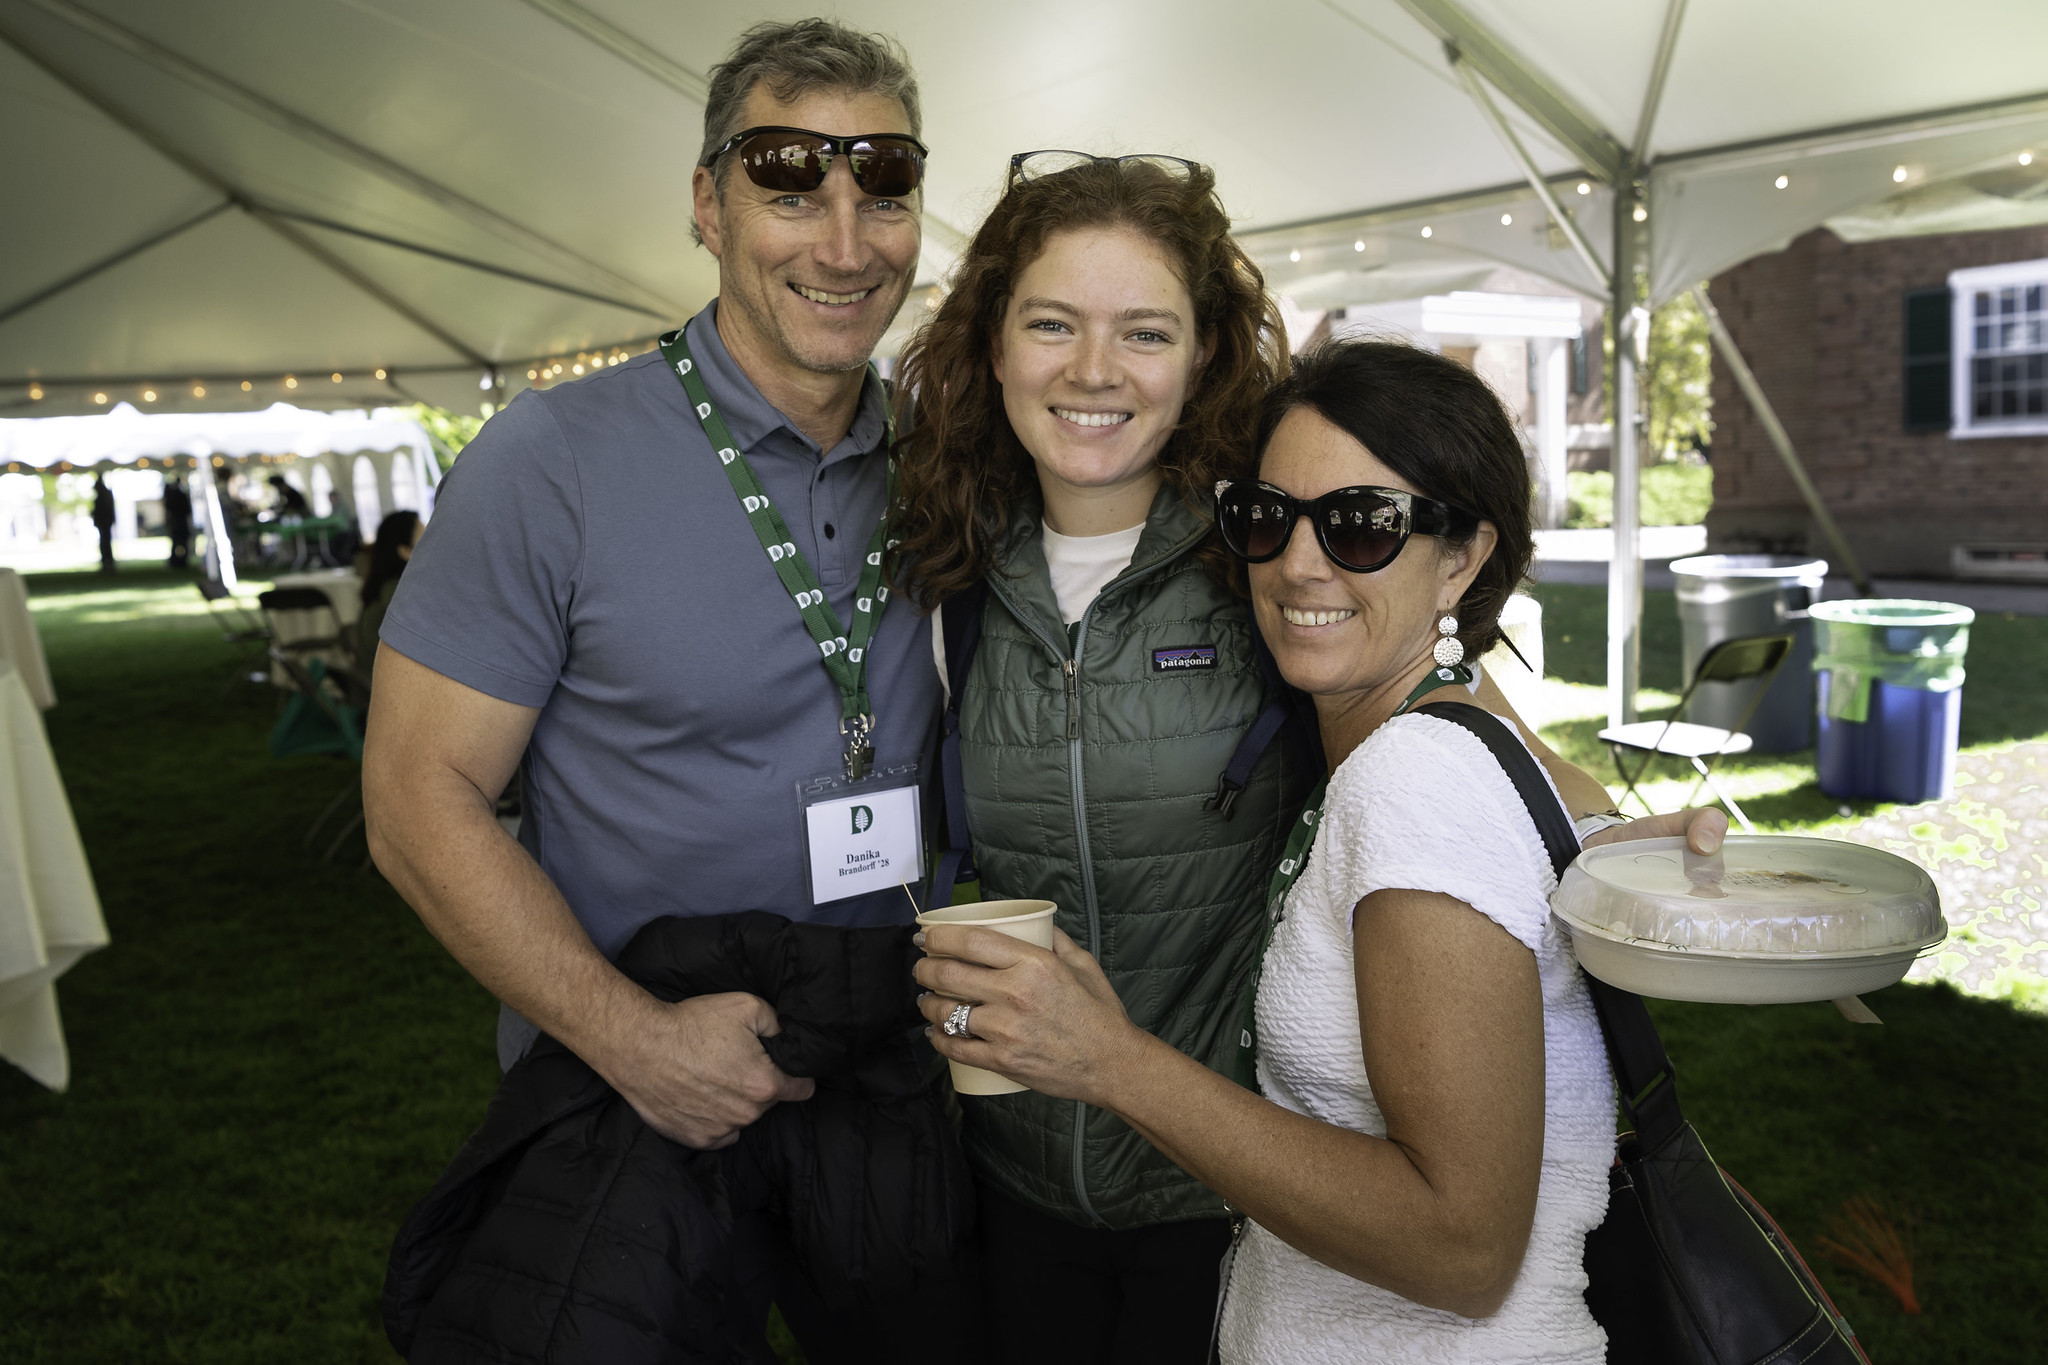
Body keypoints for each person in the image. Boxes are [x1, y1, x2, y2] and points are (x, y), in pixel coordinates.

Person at [888, 160, 1716, 1362]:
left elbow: (1465, 739)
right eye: (1052, 323)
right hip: (1013, 1184)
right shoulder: (949, 573)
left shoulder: (1264, 554)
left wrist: (1603, 845)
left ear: (1205, 355)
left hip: (1229, 1196)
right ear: (992, 343)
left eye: (1145, 331)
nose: (1093, 370)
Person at [361, 17, 971, 1360]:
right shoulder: (552, 460)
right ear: (708, 206)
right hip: (635, 1079)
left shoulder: (950, 461)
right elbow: (416, 795)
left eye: (885, 186)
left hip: (878, 1063)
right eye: (789, 183)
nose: (844, 237)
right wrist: (633, 1040)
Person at [352, 509, 419, 687]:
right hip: (384, 688)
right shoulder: (399, 592)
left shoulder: (386, 584)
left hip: (374, 683)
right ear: (405, 551)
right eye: (426, 539)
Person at [162, 476, 193, 569]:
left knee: (176, 542)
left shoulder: (172, 496)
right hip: (180, 522)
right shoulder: (181, 495)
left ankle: (175, 561)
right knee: (181, 542)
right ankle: (181, 561)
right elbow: (187, 510)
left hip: (176, 522)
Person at [91, 472, 116, 572]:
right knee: (105, 542)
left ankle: (107, 563)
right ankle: (107, 562)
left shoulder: (103, 496)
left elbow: (102, 510)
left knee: (105, 543)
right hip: (104, 523)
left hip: (104, 523)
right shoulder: (106, 495)